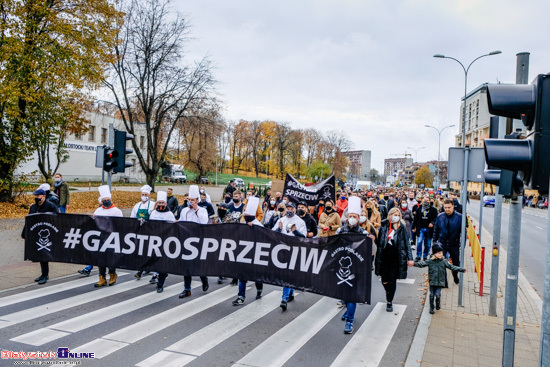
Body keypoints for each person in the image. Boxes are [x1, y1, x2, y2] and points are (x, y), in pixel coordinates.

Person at [337, 197, 377, 334]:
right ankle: (348, 311)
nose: (352, 218)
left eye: (355, 216)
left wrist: (371, 242)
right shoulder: (340, 231)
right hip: (341, 269)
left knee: (352, 296)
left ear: (359, 218)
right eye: (350, 216)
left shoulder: (364, 234)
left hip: (356, 270)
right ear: (347, 217)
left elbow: (371, 252)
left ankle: (349, 321)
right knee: (344, 294)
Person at [375, 207, 414, 312]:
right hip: (384, 257)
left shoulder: (402, 228)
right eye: (393, 214)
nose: (395, 216)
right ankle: (388, 292)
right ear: (389, 215)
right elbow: (379, 242)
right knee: (384, 280)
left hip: (396, 258)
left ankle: (389, 301)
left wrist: (410, 258)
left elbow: (407, 244)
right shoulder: (384, 226)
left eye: (397, 215)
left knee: (392, 280)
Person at [272, 201, 307, 311]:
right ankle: (289, 293)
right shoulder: (281, 220)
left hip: (294, 250)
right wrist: (278, 229)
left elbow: (304, 237)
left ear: (295, 210)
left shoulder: (300, 222)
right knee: (287, 274)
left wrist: (295, 231)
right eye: (288, 208)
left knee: (289, 273)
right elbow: (271, 234)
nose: (289, 210)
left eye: (292, 208)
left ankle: (284, 298)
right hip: (282, 250)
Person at [414, 244, 466, 314]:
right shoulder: (430, 261)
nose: (441, 254)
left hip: (440, 282)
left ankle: (438, 303)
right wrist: (413, 263)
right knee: (432, 295)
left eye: (441, 253)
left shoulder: (443, 261)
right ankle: (431, 308)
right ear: (434, 254)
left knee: (437, 295)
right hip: (432, 281)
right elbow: (421, 264)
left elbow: (452, 267)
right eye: (439, 253)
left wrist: (462, 269)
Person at [21, 188, 58, 285]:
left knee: (44, 254)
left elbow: (57, 218)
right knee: (39, 254)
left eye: (38, 196)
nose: (36, 198)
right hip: (35, 233)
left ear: (43, 196)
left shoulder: (50, 206)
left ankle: (45, 275)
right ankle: (43, 274)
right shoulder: (33, 207)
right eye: (35, 196)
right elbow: (29, 219)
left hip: (47, 233)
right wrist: (25, 232)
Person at [178, 185, 210, 297]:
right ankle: (187, 289)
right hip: (186, 241)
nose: (190, 202)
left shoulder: (202, 210)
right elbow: (180, 223)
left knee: (198, 264)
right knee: (186, 266)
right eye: (189, 200)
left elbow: (204, 222)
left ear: (197, 200)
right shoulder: (184, 211)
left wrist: (196, 209)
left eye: (193, 200)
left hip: (198, 241)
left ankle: (204, 278)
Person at [232, 197, 264, 305]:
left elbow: (264, 239)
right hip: (243, 254)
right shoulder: (242, 223)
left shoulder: (259, 225)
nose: (245, 215)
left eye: (247, 214)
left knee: (256, 276)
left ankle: (259, 289)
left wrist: (253, 229)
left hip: (255, 255)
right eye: (244, 212)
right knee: (242, 276)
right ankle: (241, 296)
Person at [93, 185, 123, 287]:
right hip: (100, 238)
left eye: (107, 199)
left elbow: (121, 225)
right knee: (100, 259)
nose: (106, 201)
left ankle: (112, 274)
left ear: (111, 199)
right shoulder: (98, 211)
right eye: (104, 199)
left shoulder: (116, 211)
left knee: (110, 258)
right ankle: (101, 278)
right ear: (101, 200)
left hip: (111, 238)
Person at [148, 191, 176, 293]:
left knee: (163, 264)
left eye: (162, 203)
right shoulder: (153, 213)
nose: (160, 205)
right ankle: (156, 275)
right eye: (159, 203)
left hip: (165, 243)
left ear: (166, 204)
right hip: (154, 242)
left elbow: (173, 228)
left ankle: (160, 284)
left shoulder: (169, 215)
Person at [433, 199, 463, 284]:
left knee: (456, 263)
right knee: (441, 263)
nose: (447, 209)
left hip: (454, 243)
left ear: (453, 206)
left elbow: (463, 232)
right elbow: (436, 230)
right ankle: (444, 280)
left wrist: (462, 244)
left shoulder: (459, 217)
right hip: (442, 243)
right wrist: (434, 243)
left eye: (449, 207)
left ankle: (455, 276)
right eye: (445, 207)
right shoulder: (440, 216)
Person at [132, 185, 155, 280]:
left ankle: (154, 273)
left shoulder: (153, 205)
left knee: (151, 252)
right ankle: (141, 270)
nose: (144, 196)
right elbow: (132, 218)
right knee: (142, 252)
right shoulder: (137, 206)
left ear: (149, 195)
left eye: (146, 194)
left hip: (150, 232)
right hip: (140, 232)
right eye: (142, 194)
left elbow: (155, 217)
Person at [412, 197, 438, 261]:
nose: (426, 201)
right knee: (419, 242)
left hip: (429, 229)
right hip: (421, 228)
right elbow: (416, 218)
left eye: (428, 200)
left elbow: (436, 218)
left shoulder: (433, 209)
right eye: (425, 200)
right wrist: (413, 227)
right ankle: (418, 256)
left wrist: (432, 223)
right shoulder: (419, 208)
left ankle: (425, 256)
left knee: (428, 244)